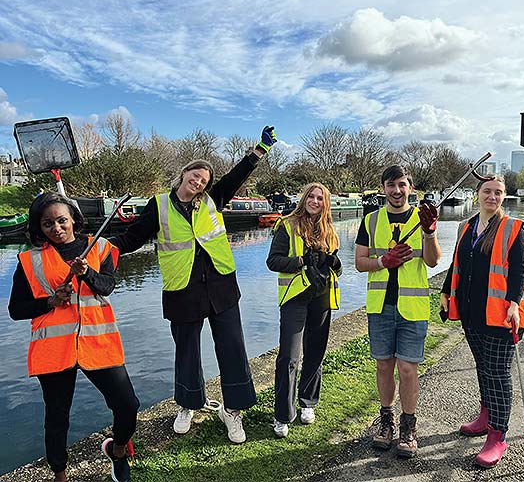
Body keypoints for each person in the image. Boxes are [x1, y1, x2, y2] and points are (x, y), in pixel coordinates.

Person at [110, 125, 277, 444]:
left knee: (232, 347)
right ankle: (189, 404)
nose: (199, 180)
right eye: (195, 174)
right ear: (183, 174)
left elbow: (235, 177)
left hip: (221, 286)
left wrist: (259, 150)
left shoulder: (212, 199)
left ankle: (234, 410)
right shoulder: (157, 205)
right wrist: (103, 247)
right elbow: (132, 238)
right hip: (182, 290)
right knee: (186, 351)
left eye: (204, 179)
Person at [8, 192, 139, 482]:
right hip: (54, 349)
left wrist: (86, 273)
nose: (56, 228)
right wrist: (49, 302)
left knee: (128, 405)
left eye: (61, 220)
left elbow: (106, 287)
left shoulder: (100, 247)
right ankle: (60, 474)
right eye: (47, 224)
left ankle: (118, 451)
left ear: (73, 219)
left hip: (98, 343)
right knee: (57, 418)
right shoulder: (29, 260)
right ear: (38, 227)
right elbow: (15, 309)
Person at [440, 175, 524, 468]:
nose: (492, 197)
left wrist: (515, 305)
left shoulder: (513, 229)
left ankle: (498, 435)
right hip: (471, 312)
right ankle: (486, 415)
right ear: (478, 194)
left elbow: (520, 272)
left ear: (504, 196)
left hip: (502, 316)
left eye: (498, 193)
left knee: (497, 372)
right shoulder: (466, 226)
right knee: (483, 367)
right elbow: (456, 263)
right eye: (487, 192)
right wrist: (444, 293)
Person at [355, 165, 441, 457]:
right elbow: (360, 262)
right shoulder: (371, 220)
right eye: (390, 185)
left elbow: (432, 262)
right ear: (382, 188)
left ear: (411, 188)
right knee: (383, 366)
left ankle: (408, 426)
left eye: (402, 185)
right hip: (381, 306)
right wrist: (384, 262)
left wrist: (429, 233)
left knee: (407, 368)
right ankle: (386, 422)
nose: (396, 190)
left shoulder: (422, 218)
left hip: (412, 307)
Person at [266, 182, 342, 438]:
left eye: (320, 198)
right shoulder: (287, 225)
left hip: (321, 298)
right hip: (294, 298)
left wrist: (334, 262)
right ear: (304, 198)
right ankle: (282, 415)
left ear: (325, 202)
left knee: (315, 354)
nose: (315, 201)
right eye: (311, 196)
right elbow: (273, 261)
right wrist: (300, 261)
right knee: (289, 357)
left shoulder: (329, 229)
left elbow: (337, 269)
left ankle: (308, 403)